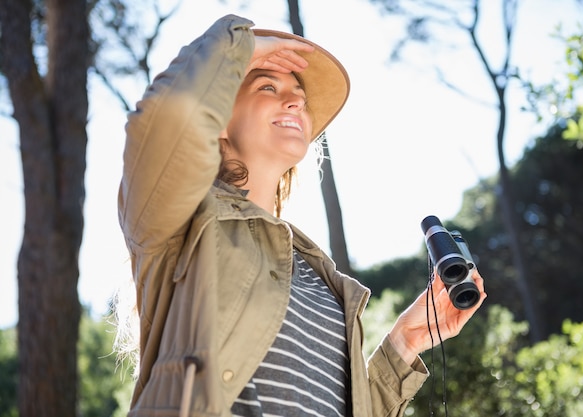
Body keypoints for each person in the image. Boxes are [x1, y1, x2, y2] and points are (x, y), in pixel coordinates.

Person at [116, 13, 486, 417]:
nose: (294, 100)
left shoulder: (318, 274)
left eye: (300, 96)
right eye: (268, 85)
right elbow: (161, 124)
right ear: (217, 116)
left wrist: (405, 343)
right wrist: (235, 49)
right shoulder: (179, 222)